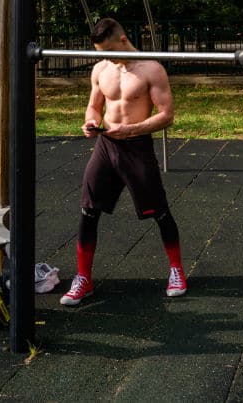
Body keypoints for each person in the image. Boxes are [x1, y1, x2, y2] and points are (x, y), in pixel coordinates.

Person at [59, 17, 187, 306]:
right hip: (106, 145)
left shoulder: (151, 69)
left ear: (123, 39)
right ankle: (83, 278)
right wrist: (90, 121)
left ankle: (176, 270)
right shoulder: (101, 68)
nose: (105, 56)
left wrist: (131, 129)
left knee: (160, 211)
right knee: (88, 210)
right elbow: (94, 105)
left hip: (137, 146)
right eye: (100, 52)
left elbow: (166, 115)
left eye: (108, 50)